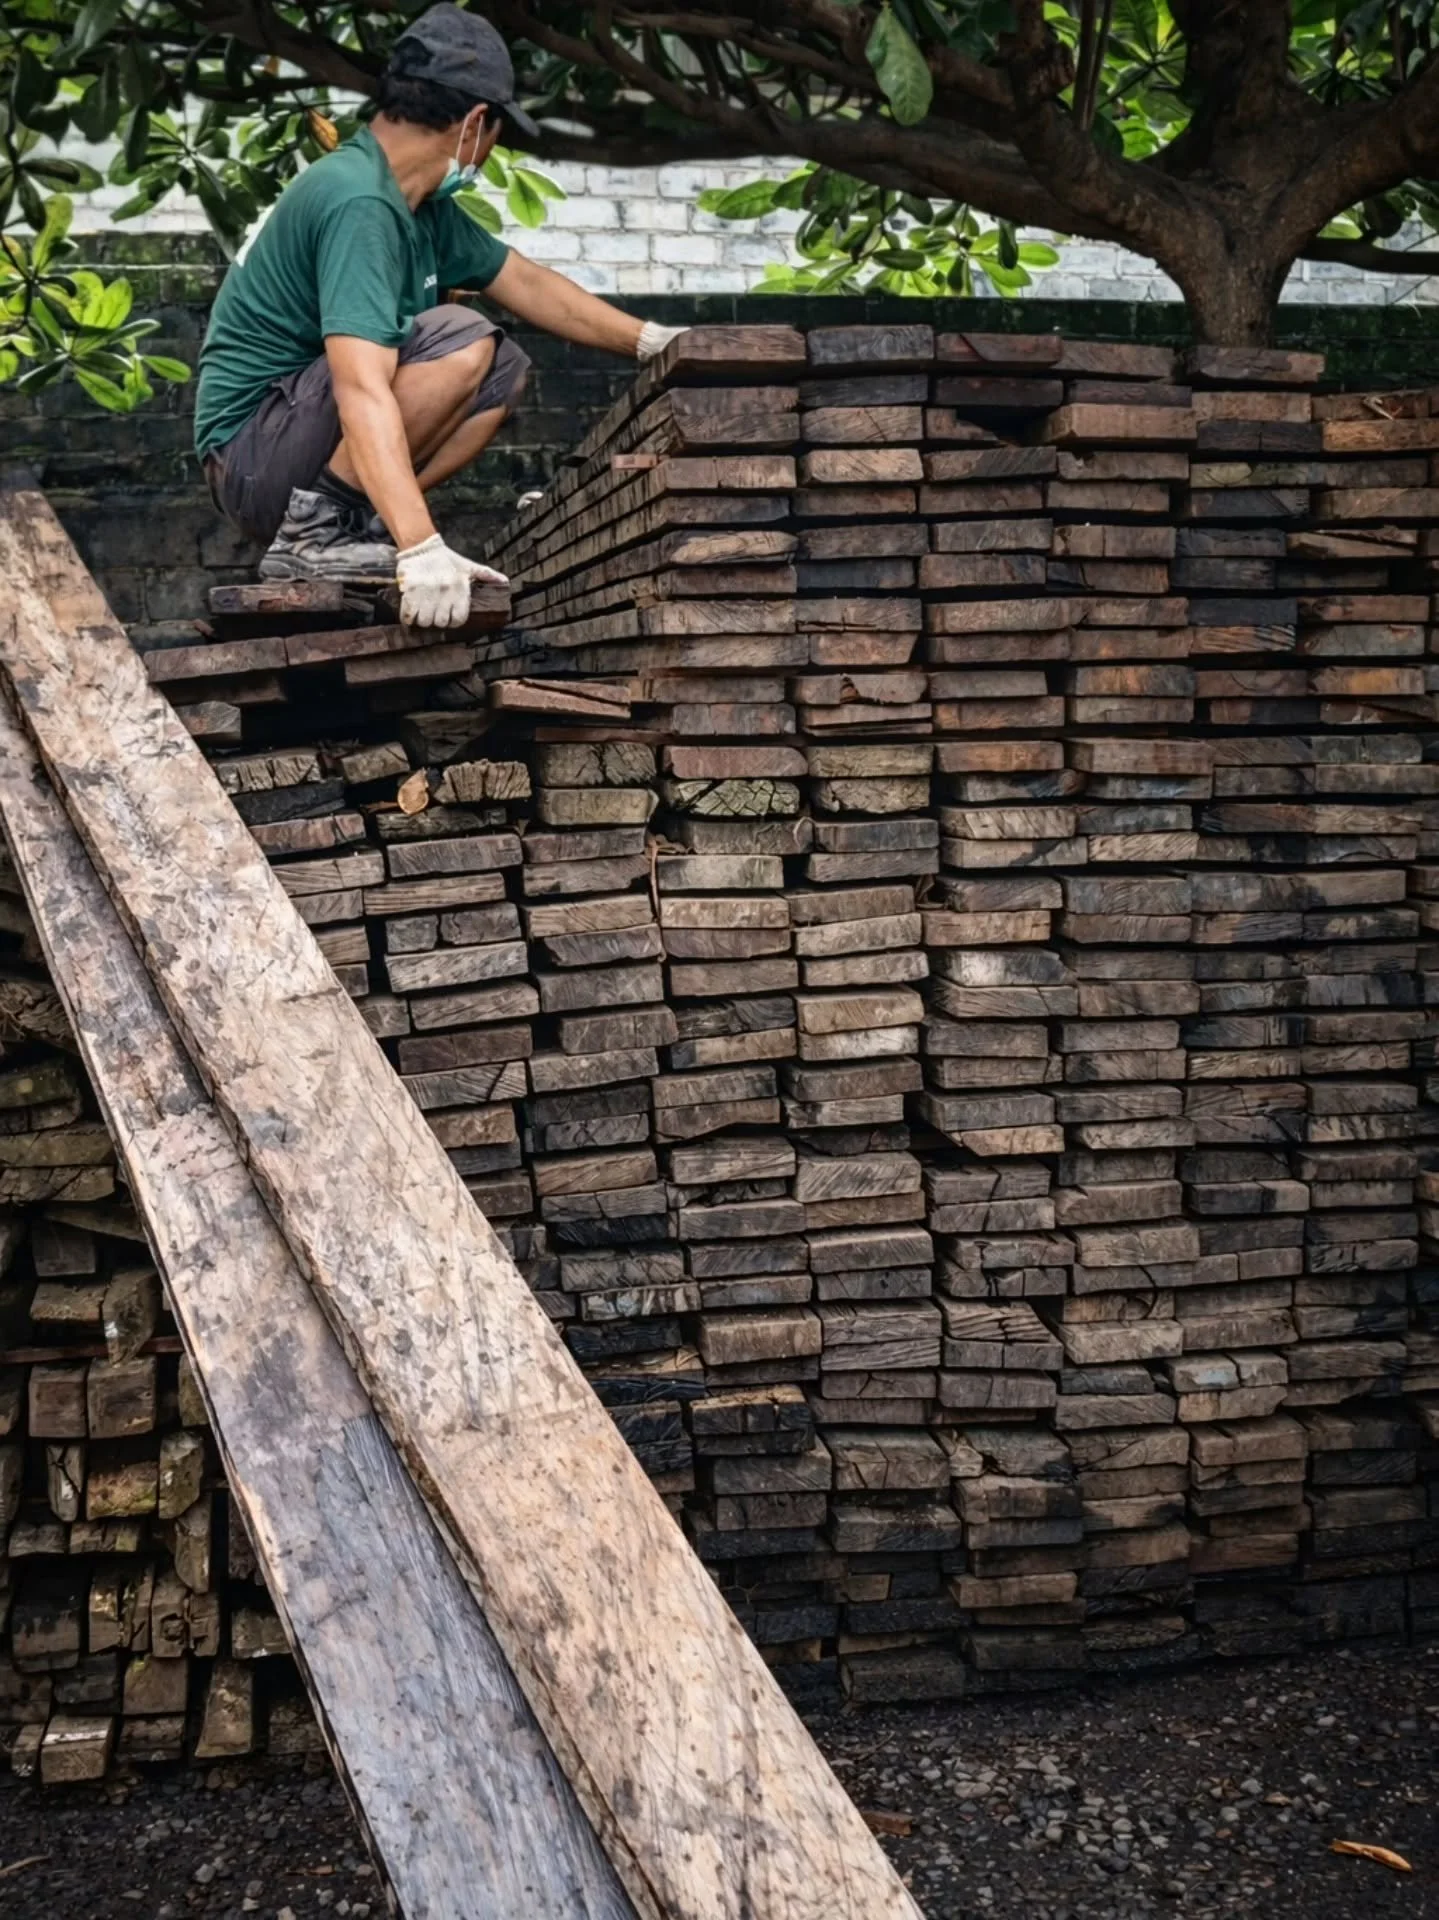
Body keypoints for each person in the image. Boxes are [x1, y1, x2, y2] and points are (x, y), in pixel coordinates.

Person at [193, 4, 685, 628]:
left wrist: (654, 342)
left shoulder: (414, 204)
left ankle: (353, 526)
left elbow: (526, 282)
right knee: (463, 337)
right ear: (476, 122)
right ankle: (313, 537)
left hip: (287, 444)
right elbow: (361, 386)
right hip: (252, 459)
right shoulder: (359, 203)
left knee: (501, 368)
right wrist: (422, 547)